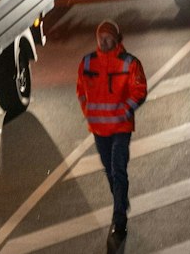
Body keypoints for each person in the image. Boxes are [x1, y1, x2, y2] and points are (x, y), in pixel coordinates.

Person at [78, 20, 148, 250]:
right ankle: (121, 200)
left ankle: (119, 220)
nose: (104, 42)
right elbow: (81, 90)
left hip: (120, 128)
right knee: (110, 171)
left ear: (117, 39)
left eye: (108, 38)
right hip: (99, 129)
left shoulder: (129, 63)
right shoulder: (87, 62)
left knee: (118, 170)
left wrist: (124, 111)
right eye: (101, 38)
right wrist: (88, 112)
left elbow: (139, 90)